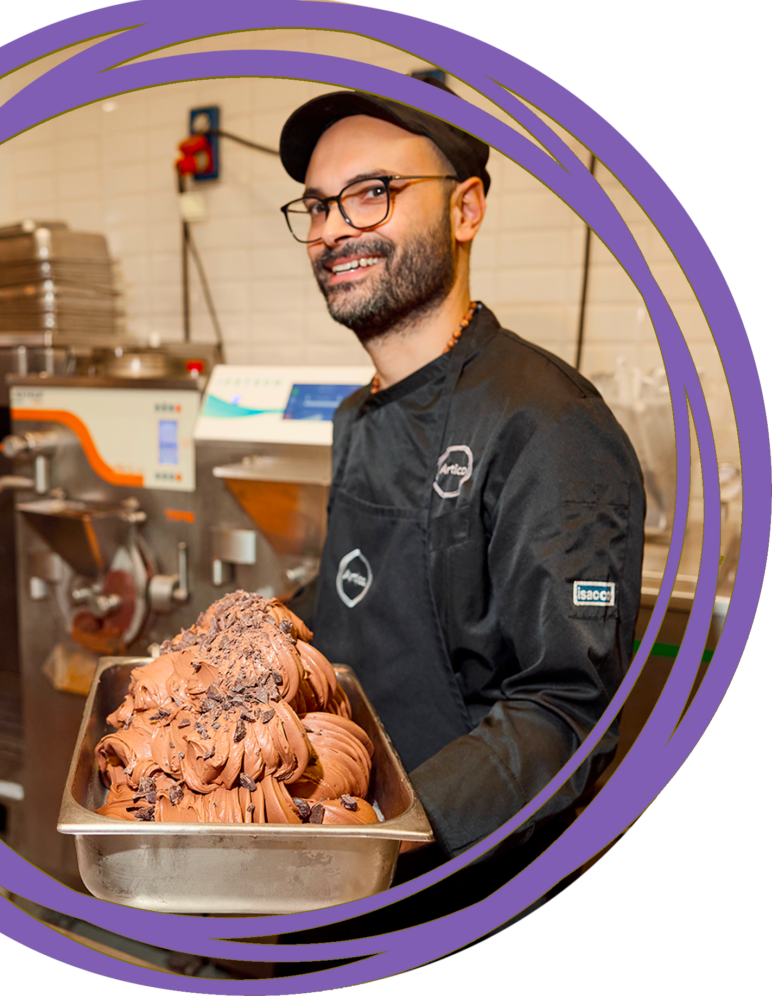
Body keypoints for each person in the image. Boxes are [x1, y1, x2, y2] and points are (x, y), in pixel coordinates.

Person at [277, 77, 646, 931]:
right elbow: (366, 592)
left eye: (372, 192)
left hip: (465, 887)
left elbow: (566, 707)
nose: (333, 230)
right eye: (319, 205)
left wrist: (388, 826)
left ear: (466, 208)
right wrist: (267, 626)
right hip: (345, 858)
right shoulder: (358, 414)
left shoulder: (549, 424)